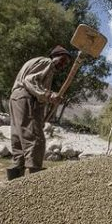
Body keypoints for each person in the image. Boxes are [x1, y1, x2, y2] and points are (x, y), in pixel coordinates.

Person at [6, 46, 71, 181]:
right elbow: (29, 80)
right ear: (55, 55)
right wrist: (48, 95)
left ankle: (15, 178)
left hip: (16, 98)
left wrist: (48, 97)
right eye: (63, 60)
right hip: (26, 98)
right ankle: (36, 180)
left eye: (66, 63)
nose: (64, 65)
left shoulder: (38, 62)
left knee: (19, 138)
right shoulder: (47, 62)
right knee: (35, 138)